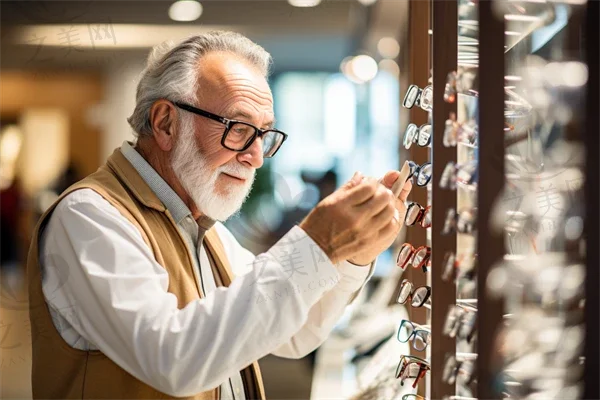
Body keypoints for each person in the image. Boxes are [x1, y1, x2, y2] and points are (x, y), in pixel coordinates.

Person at [26, 31, 412, 400]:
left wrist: (354, 253)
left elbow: (295, 332)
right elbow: (173, 358)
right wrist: (317, 243)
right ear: (165, 123)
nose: (255, 156)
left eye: (264, 134)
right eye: (239, 128)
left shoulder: (199, 224)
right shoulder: (90, 217)